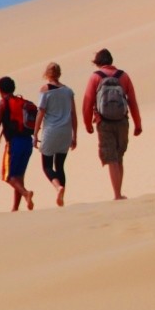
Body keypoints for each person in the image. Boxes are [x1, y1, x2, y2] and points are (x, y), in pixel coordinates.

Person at [82, 48, 142, 200]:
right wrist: (138, 123)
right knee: (119, 156)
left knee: (111, 159)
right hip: (122, 121)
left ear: (98, 62)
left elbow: (87, 102)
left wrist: (87, 123)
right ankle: (119, 192)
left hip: (104, 122)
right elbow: (132, 101)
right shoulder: (123, 76)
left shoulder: (95, 77)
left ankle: (116, 194)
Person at [0, 76, 35, 211]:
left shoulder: (2, 104)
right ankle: (15, 208)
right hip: (27, 142)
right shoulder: (22, 102)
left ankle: (26, 194)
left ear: (0, 90)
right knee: (19, 176)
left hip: (14, 143)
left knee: (9, 176)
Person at [34, 62, 77, 207]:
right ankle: (62, 199)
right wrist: (74, 135)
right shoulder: (68, 91)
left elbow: (41, 112)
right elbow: (73, 114)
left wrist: (35, 133)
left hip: (51, 131)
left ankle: (58, 187)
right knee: (60, 165)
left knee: (46, 166)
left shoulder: (45, 90)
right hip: (65, 131)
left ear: (47, 74)